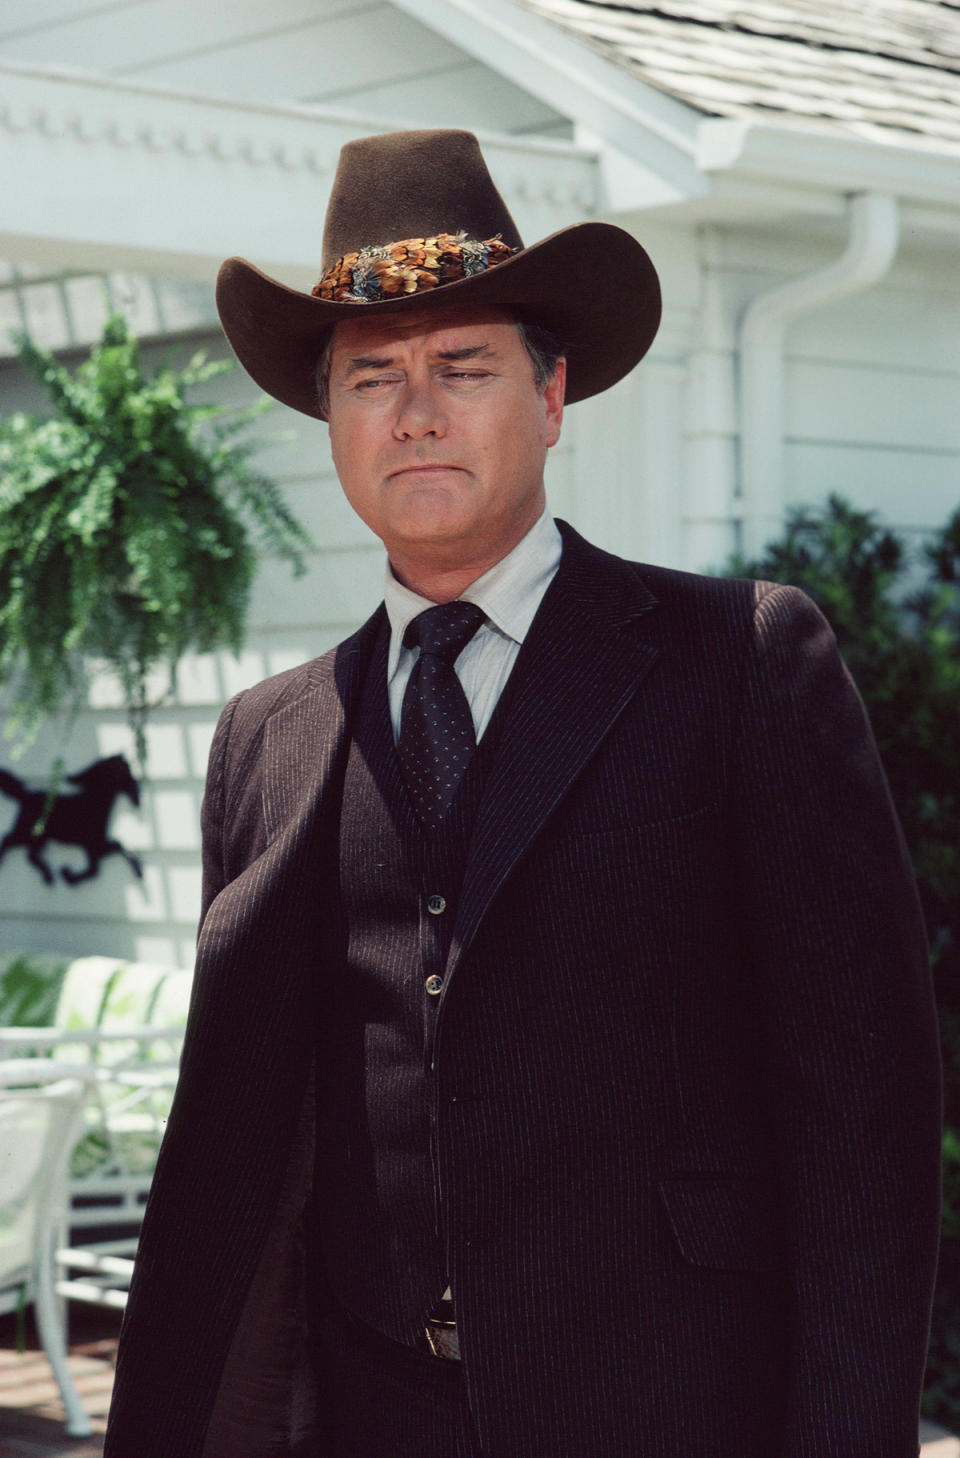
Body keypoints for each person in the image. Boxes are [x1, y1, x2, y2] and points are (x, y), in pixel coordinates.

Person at [104, 129, 941, 1458]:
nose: (417, 411)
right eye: (372, 375)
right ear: (332, 419)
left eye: (464, 366)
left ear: (551, 400)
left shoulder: (740, 663)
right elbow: (232, 1158)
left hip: (674, 1419)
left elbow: (863, 1119)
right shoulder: (270, 739)